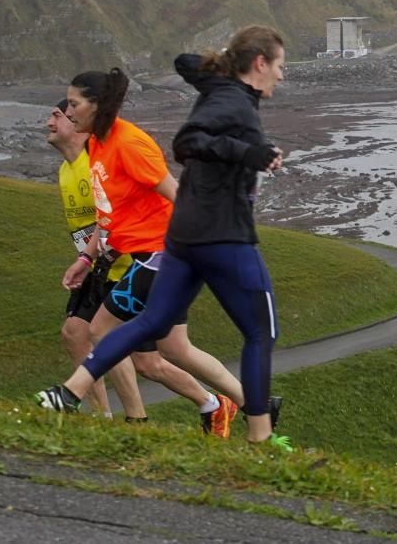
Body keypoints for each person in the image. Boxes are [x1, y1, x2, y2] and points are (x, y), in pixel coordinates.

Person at [37, 26, 289, 448]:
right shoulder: (97, 145)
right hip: (159, 248)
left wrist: (188, 240)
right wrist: (90, 254)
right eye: (69, 105)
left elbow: (175, 192)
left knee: (101, 331)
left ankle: (129, 421)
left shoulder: (130, 143)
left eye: (74, 104)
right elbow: (112, 205)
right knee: (172, 346)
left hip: (159, 251)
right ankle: (251, 406)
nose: (66, 111)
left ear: (97, 106)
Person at [47, 99, 145, 419]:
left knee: (153, 361)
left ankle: (215, 402)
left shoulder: (96, 161)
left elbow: (117, 213)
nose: (49, 122)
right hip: (97, 266)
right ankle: (102, 415)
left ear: (75, 125)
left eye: (57, 115)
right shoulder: (65, 170)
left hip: (129, 265)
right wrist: (86, 260)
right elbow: (90, 226)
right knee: (75, 332)